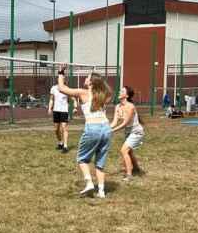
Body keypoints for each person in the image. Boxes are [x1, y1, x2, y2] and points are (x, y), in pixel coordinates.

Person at [55, 67, 112, 198]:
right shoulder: (103, 95)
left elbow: (62, 88)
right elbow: (108, 90)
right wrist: (101, 82)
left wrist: (61, 73)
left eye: (88, 77)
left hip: (93, 128)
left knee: (82, 159)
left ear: (91, 82)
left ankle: (89, 183)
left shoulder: (83, 92)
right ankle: (101, 192)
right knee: (100, 163)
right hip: (106, 128)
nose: (85, 79)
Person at [111, 86, 145, 181]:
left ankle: (129, 175)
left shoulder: (130, 106)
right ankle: (136, 169)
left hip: (136, 132)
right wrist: (107, 129)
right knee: (129, 152)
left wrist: (112, 131)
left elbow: (125, 123)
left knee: (124, 150)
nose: (119, 92)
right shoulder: (117, 106)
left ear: (126, 95)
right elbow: (114, 122)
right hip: (128, 132)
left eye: (122, 91)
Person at [48, 80, 74, 152]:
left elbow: (71, 98)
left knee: (64, 127)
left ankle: (65, 146)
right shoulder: (53, 88)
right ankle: (60, 143)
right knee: (56, 130)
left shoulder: (66, 88)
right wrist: (49, 108)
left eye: (63, 78)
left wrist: (74, 106)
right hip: (56, 110)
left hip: (64, 111)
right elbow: (51, 99)